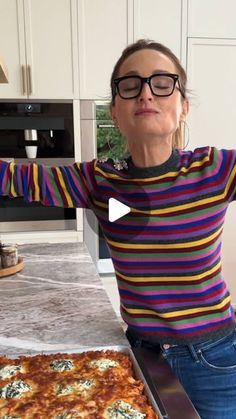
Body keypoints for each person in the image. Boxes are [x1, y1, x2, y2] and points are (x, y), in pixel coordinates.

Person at [0, 39, 236, 418]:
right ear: (114, 109)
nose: (145, 93)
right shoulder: (99, 180)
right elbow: (16, 178)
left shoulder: (217, 169)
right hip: (139, 355)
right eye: (130, 85)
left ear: (183, 106)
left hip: (215, 357)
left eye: (162, 83)